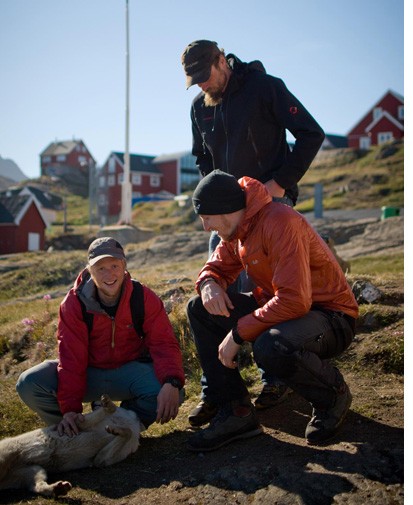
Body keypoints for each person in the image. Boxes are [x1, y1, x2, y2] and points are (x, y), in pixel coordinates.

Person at [182, 39, 326, 415]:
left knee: (265, 287)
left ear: (221, 60)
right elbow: (201, 156)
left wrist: (281, 182)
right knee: (212, 293)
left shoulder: (266, 88)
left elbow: (311, 134)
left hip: (269, 204)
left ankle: (276, 377)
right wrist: (212, 197)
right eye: (194, 80)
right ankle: (219, 387)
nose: (202, 85)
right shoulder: (200, 107)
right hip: (225, 215)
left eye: (205, 75)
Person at [185, 172, 358, 451]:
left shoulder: (280, 221)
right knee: (199, 310)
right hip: (287, 309)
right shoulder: (239, 228)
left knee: (271, 345)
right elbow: (216, 267)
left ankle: (332, 395)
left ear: (227, 209)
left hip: (331, 316)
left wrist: (237, 334)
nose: (206, 227)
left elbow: (295, 301)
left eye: (207, 218)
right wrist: (208, 284)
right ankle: (237, 412)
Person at [16, 237, 185, 434]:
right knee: (29, 383)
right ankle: (70, 432)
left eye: (114, 265)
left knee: (174, 392)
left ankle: (122, 427)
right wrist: (69, 409)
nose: (109, 274)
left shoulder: (143, 297)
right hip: (89, 374)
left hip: (128, 373)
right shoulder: (73, 303)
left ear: (124, 266)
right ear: (89, 271)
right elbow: (71, 358)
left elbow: (163, 343)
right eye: (101, 268)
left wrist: (172, 381)